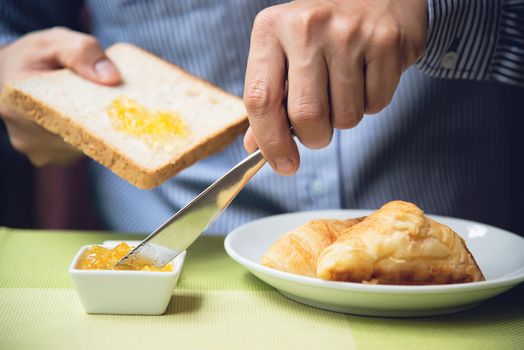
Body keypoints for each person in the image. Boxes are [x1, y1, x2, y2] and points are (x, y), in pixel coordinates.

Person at [1, 1, 523, 235]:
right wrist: (15, 75)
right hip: (183, 280)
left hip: (469, 272)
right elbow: (13, 25)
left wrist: (441, 9)